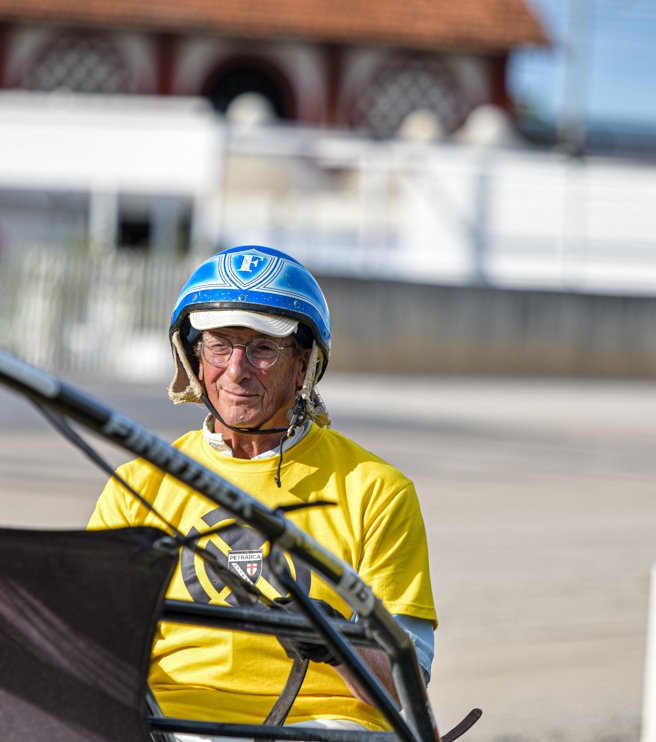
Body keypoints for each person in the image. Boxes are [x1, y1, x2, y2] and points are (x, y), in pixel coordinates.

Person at [88, 245, 435, 733]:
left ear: (304, 363)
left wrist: (334, 636)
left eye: (262, 348)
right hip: (165, 725)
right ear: (192, 355)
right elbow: (84, 644)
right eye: (219, 345)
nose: (236, 370)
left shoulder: (378, 491)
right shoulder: (136, 484)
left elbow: (409, 686)